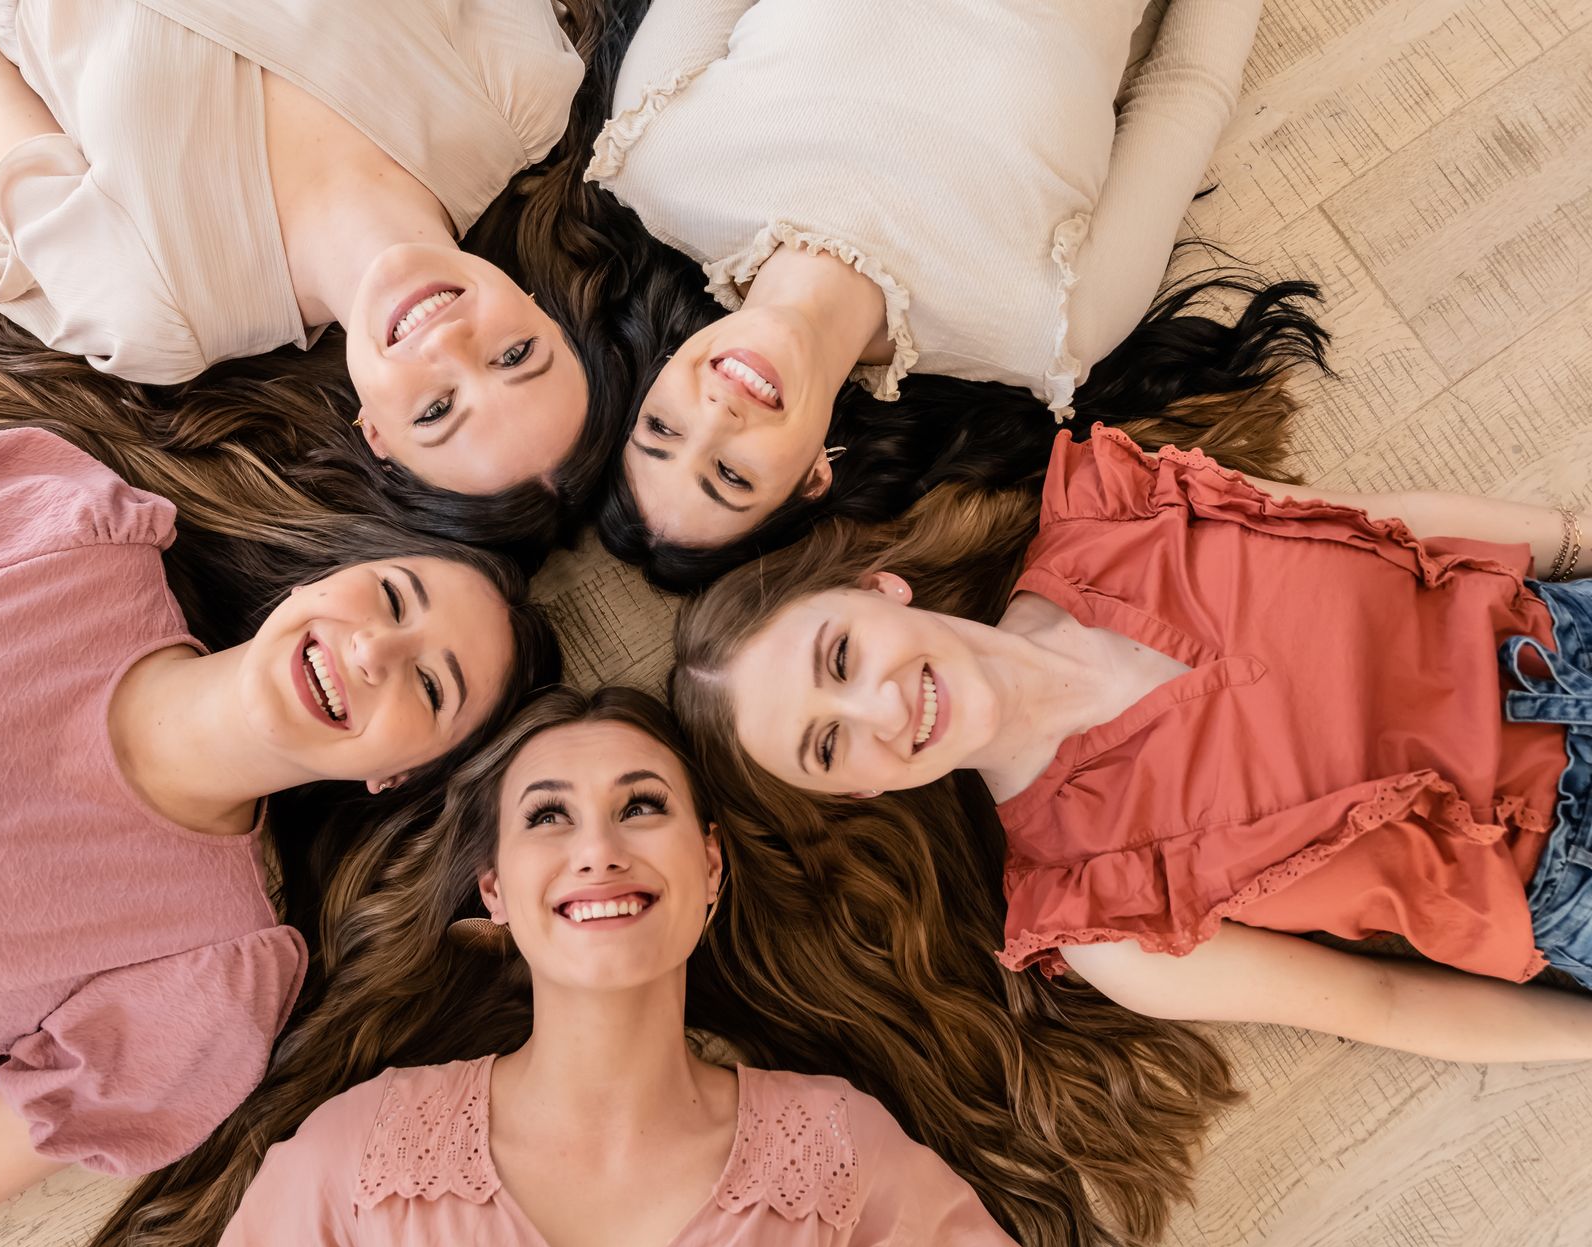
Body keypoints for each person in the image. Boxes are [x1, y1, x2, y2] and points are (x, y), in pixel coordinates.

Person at [0, 427, 559, 1241]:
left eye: (431, 687)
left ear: (397, 777)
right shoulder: (70, 536)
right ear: (319, 580)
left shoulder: (205, 979)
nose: (373, 652)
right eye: (393, 598)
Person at [62, 688, 1239, 1247]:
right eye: (548, 817)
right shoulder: (356, 1158)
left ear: (710, 865)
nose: (598, 847)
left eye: (642, 804)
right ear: (495, 891)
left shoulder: (841, 1154)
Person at [672, 419, 1592, 1066]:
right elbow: (1384, 1004)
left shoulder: (1117, 514)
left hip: (1560, 633)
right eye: (827, 747)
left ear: (878, 590)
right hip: (1563, 869)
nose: (876, 709)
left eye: (841, 654)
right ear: (851, 795)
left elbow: (1383, 524)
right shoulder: (1099, 912)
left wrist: (1576, 537)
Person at [0, 0, 647, 555]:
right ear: (541, 312)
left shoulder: (160, 311)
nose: (452, 345)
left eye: (436, 410)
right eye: (514, 358)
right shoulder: (514, 100)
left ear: (378, 436)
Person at [585, 0, 1322, 589]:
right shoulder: (1045, 329)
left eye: (664, 430)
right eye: (732, 475)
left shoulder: (658, 159)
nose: (714, 419)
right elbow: (1186, 88)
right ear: (815, 476)